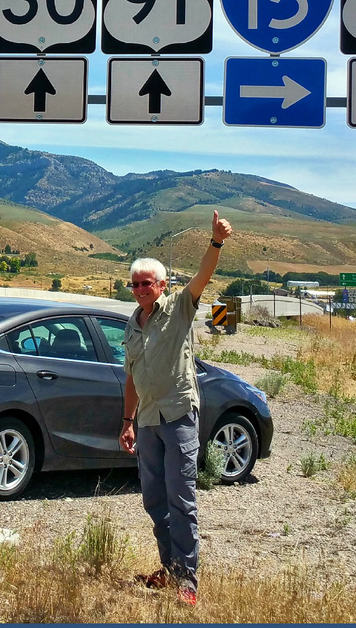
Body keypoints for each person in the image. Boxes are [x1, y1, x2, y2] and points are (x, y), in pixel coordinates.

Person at [119, 210, 232, 606]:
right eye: (134, 284)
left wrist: (215, 242)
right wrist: (127, 421)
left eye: (146, 283)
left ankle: (187, 582)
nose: (139, 289)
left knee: (181, 499)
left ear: (162, 285)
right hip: (147, 420)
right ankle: (169, 569)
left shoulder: (180, 307)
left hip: (179, 415)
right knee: (154, 499)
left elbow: (203, 275)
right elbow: (131, 378)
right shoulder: (132, 324)